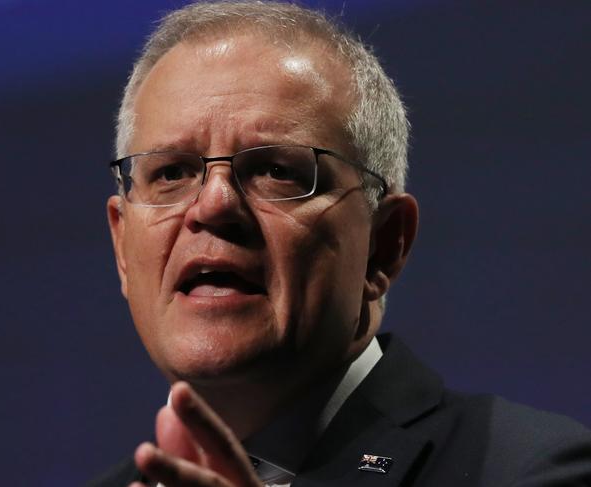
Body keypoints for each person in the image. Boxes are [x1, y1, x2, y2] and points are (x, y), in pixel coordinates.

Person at [90, 2, 591, 486]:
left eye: (277, 171)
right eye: (172, 172)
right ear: (122, 247)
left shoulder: (533, 470)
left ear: (384, 245)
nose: (214, 204)